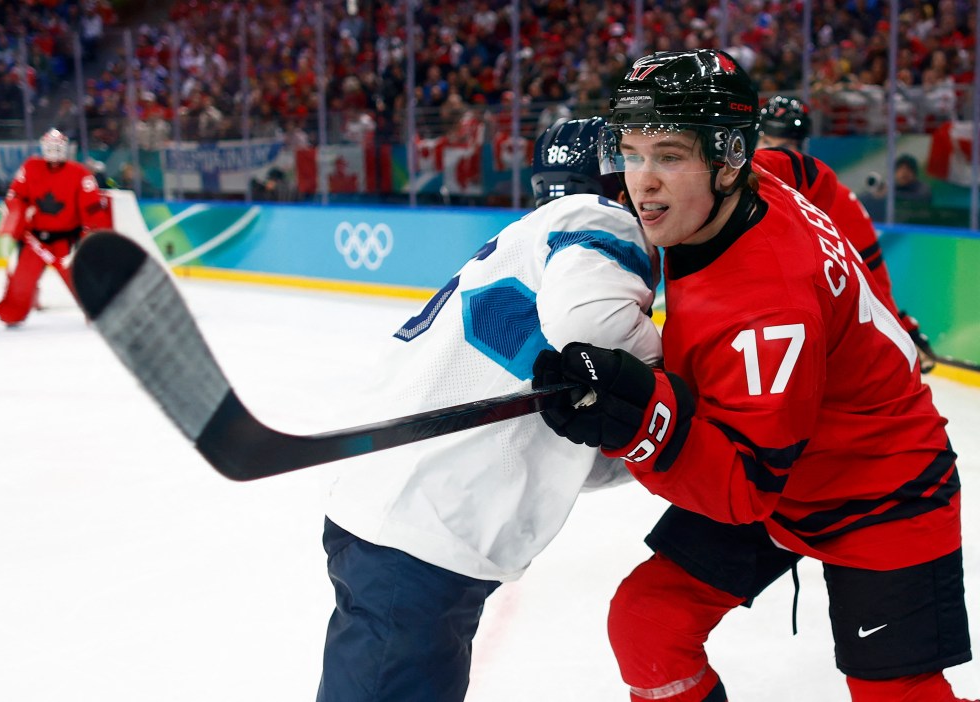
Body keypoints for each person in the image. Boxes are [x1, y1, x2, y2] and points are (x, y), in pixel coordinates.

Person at [532, 50, 973, 702]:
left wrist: (640, 423)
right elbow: (814, 174)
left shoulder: (767, 310)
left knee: (897, 693)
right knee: (650, 623)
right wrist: (877, 301)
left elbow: (744, 489)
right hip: (786, 456)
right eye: (632, 152)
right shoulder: (759, 175)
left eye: (670, 156)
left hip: (880, 490)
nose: (641, 184)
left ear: (728, 157)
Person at [318, 116, 662, 702]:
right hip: (427, 533)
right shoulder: (595, 220)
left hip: (394, 517)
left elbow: (572, 439)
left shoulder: (526, 244)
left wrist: (638, 436)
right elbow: (588, 325)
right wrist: (680, 382)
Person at [755, 95, 937, 372]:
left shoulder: (837, 199)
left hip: (811, 342)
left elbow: (873, 279)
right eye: (769, 143)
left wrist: (903, 328)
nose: (778, 155)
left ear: (803, 148)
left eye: (789, 146)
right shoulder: (730, 191)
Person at [0, 128, 112, 326]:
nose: (54, 152)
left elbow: (92, 210)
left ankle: (97, 311)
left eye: (58, 147)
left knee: (79, 281)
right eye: (50, 147)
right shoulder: (31, 167)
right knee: (20, 282)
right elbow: (16, 197)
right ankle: (12, 313)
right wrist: (12, 226)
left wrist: (90, 239)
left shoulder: (80, 174)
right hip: (35, 239)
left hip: (66, 242)